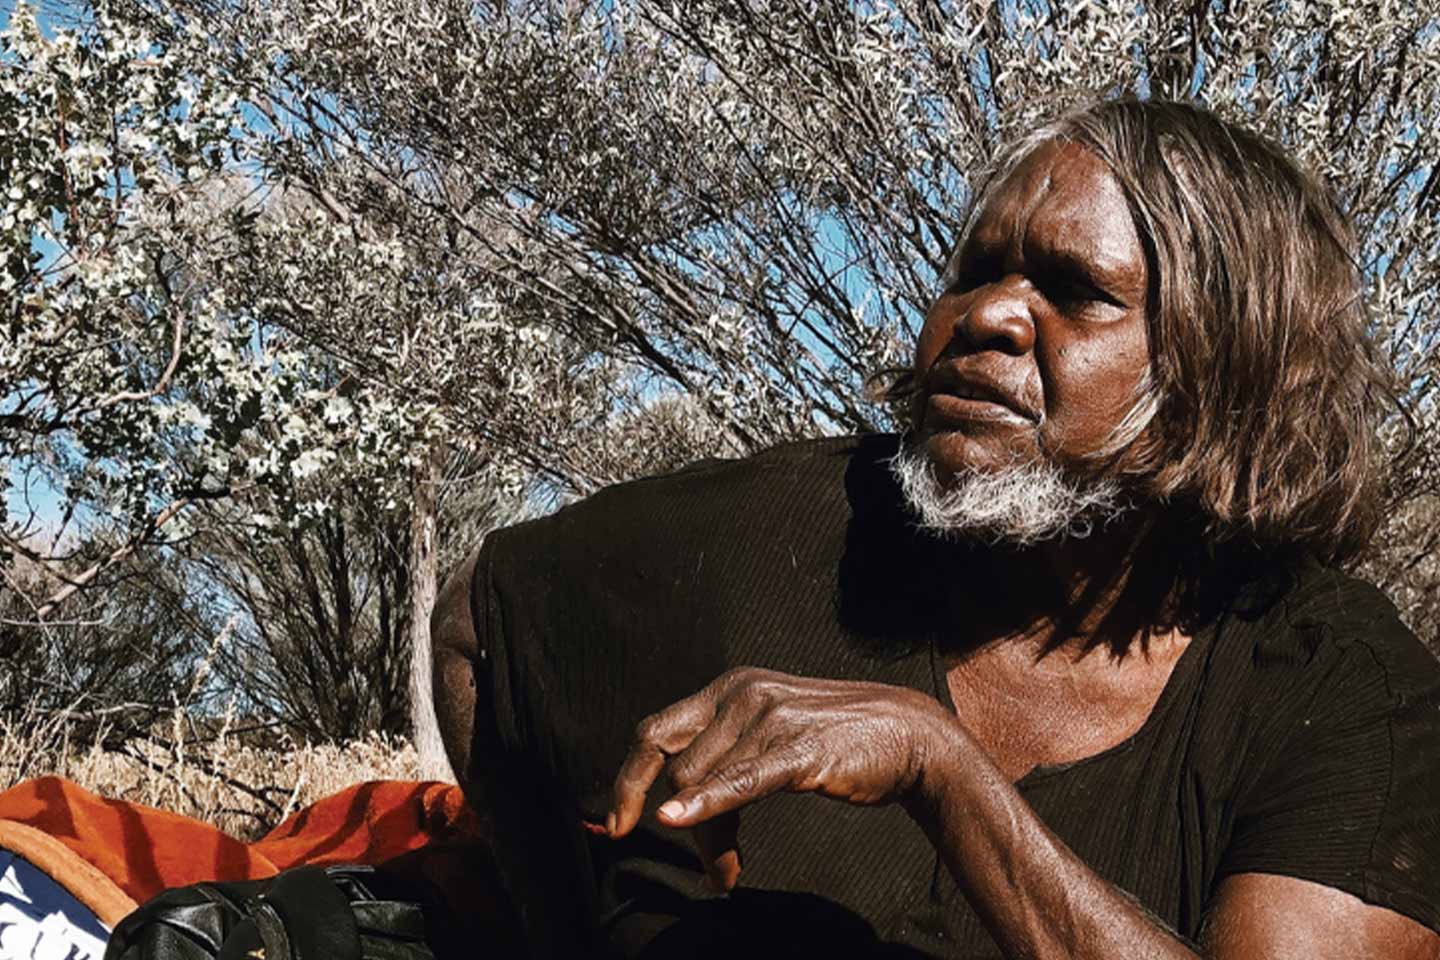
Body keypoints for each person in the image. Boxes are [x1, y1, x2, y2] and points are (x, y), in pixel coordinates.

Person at [428, 98, 1440, 959]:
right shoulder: (798, 526)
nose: (988, 316)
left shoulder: (1339, 689)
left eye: (1075, 292)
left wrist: (943, 772)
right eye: (977, 270)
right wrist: (567, 928)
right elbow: (484, 625)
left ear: (1223, 369)